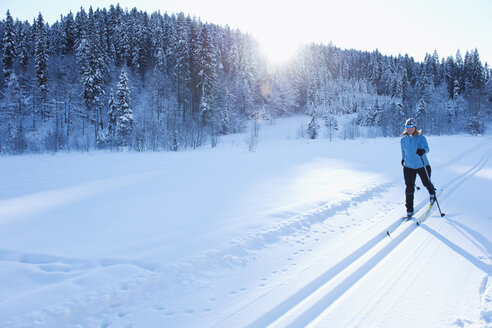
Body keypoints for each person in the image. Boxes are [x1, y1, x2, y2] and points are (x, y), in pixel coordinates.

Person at [400, 118, 436, 218]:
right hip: (408, 166)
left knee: (426, 182)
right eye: (407, 127)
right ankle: (409, 210)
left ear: (415, 127)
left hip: (422, 165)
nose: (409, 128)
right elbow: (403, 151)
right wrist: (403, 159)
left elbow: (427, 148)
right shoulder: (403, 140)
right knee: (409, 187)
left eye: (411, 126)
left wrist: (422, 151)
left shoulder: (421, 138)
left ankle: (432, 194)